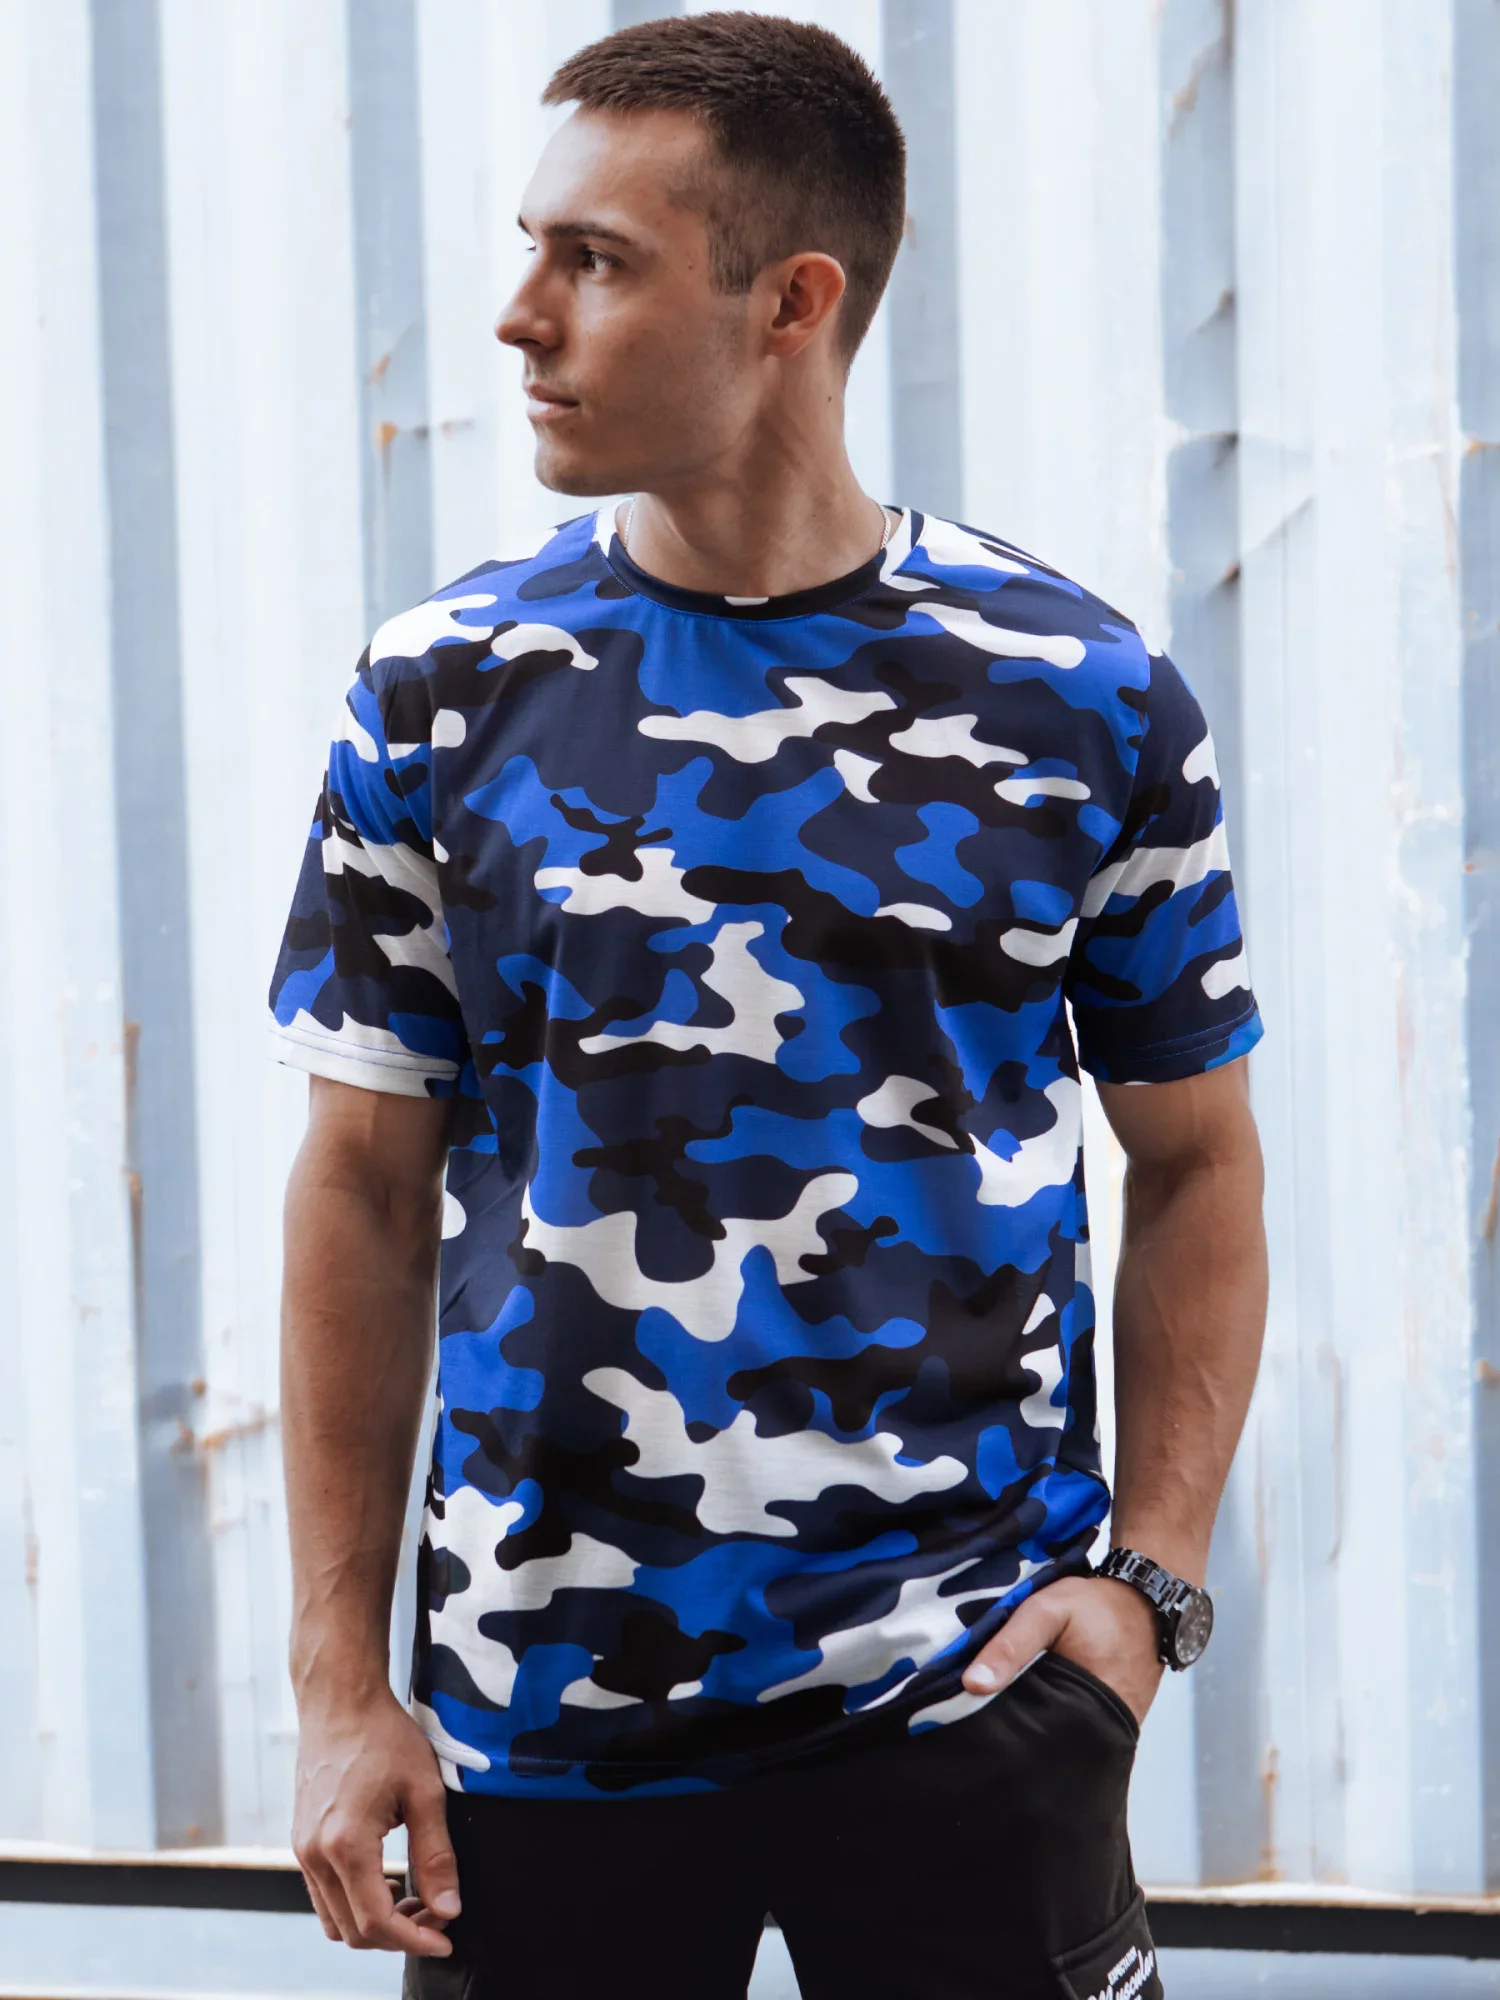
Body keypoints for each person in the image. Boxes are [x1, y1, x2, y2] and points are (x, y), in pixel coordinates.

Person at [270, 14, 1267, 1998]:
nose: (519, 317)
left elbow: (1200, 1160)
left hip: (971, 1706)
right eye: (532, 249)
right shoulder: (440, 695)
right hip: (544, 1726)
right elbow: (361, 1193)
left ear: (791, 302)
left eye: (595, 261)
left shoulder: (1075, 697)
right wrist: (334, 1686)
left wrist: (1148, 1591)